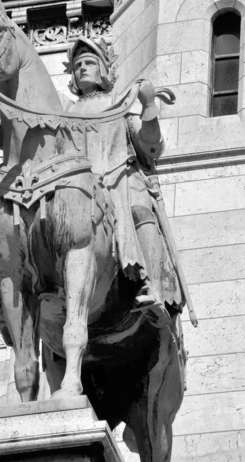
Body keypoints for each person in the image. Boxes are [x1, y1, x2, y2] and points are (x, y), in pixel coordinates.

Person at [64, 36, 185, 325]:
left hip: (120, 178)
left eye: (89, 63)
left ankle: (153, 287)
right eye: (77, 65)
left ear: (103, 70)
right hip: (79, 184)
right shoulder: (65, 113)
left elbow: (151, 146)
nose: (82, 69)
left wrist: (149, 108)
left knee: (140, 210)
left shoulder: (119, 103)